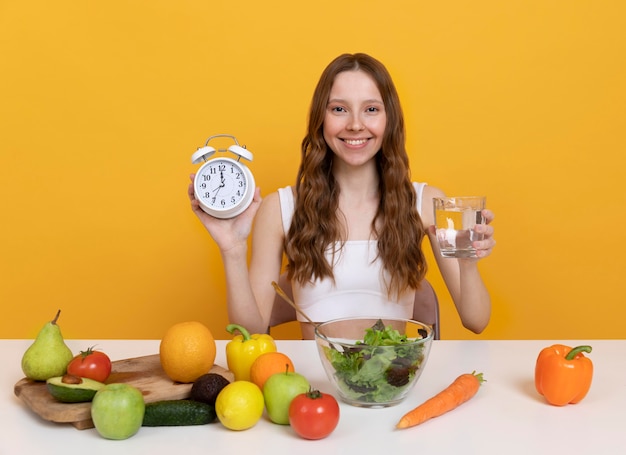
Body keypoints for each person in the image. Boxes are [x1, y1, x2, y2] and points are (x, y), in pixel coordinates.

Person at [189, 53, 495, 339]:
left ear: (390, 119)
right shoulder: (280, 208)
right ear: (321, 119)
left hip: (392, 385)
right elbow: (250, 331)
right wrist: (232, 249)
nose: (355, 124)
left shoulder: (426, 203)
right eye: (339, 109)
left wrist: (468, 263)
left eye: (371, 109)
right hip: (314, 391)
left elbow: (476, 320)